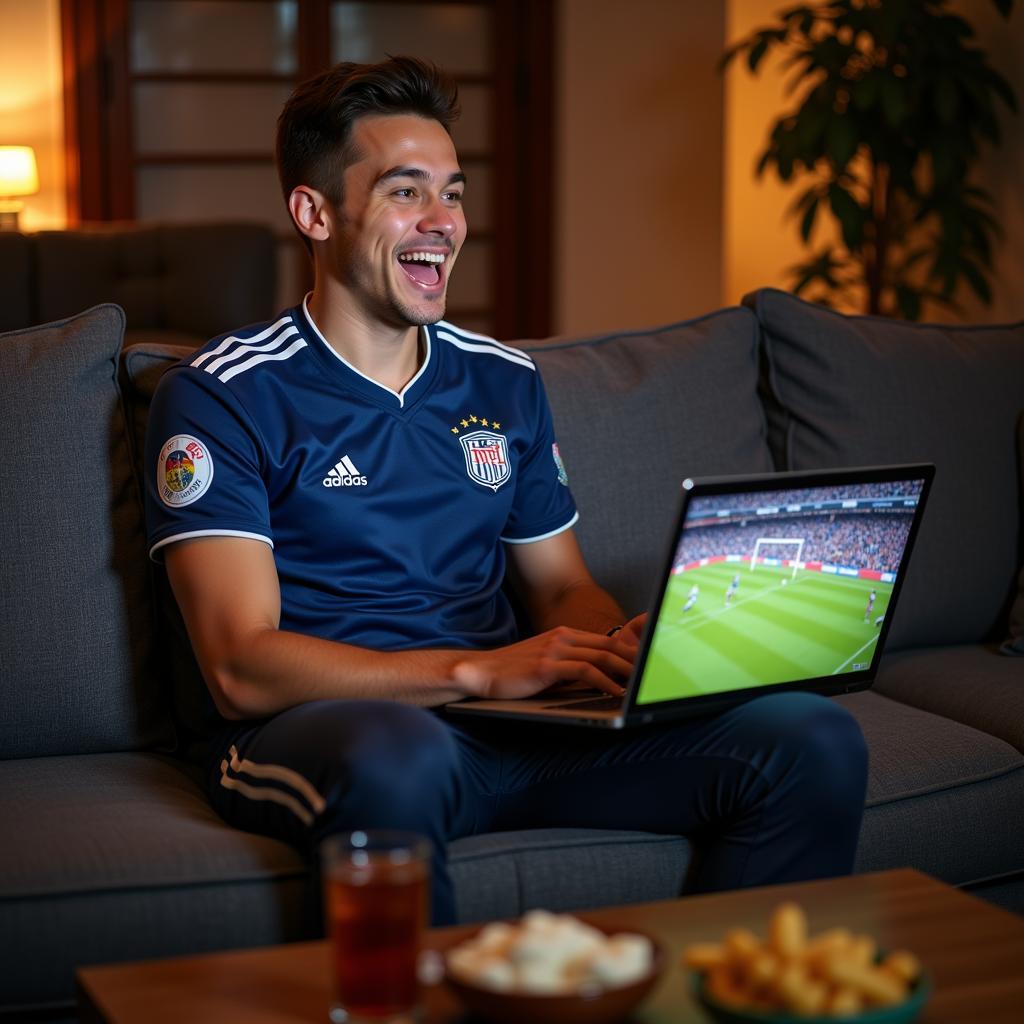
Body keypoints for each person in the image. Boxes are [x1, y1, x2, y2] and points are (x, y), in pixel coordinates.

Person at [144, 56, 869, 926]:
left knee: (810, 741)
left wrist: (624, 648)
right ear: (314, 212)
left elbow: (561, 586)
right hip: (335, 732)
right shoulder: (223, 392)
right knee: (398, 755)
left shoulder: (503, 380)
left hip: (517, 731)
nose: (442, 222)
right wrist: (479, 673)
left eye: (453, 193)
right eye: (405, 192)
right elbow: (239, 666)